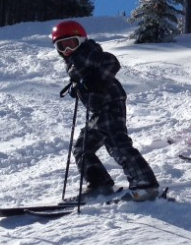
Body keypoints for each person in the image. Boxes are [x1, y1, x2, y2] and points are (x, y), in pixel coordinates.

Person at [52, 20, 160, 201]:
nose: (67, 50)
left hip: (110, 103)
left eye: (71, 43)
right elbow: (85, 78)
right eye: (61, 46)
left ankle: (145, 184)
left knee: (116, 143)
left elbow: (111, 62)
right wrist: (77, 87)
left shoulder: (87, 53)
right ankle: (99, 184)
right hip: (98, 109)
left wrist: (93, 81)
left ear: (81, 40)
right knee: (82, 147)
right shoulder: (73, 60)